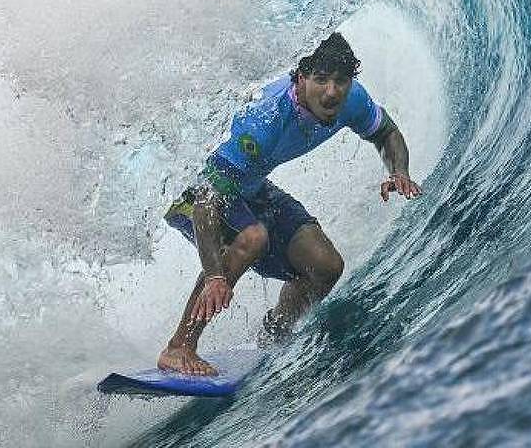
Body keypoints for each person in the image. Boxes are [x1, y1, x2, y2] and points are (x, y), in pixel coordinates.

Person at [159, 32, 422, 376]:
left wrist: (398, 171)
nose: (331, 92)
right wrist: (214, 275)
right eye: (320, 80)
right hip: (193, 188)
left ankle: (273, 333)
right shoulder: (265, 121)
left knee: (325, 266)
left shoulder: (351, 100)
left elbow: (386, 132)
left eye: (340, 81)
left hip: (247, 184)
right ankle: (179, 346)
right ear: (300, 78)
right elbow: (208, 197)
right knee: (252, 238)